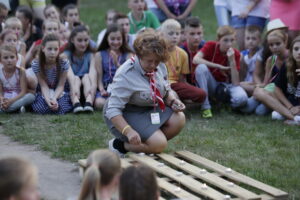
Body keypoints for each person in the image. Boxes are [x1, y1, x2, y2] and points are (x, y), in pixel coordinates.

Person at [104, 30, 185, 156]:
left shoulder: (160, 64)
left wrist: (173, 100)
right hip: (127, 112)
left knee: (179, 119)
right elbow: (112, 111)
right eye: (149, 61)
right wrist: (128, 131)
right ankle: (119, 145)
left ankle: (146, 145)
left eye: (156, 61)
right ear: (139, 56)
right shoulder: (125, 75)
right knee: (159, 144)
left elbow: (166, 90)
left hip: (150, 107)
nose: (153, 65)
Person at [193, 25, 248, 118]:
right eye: (225, 40)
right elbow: (196, 59)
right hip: (212, 84)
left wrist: (232, 61)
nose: (229, 44)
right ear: (218, 40)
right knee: (201, 68)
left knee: (242, 98)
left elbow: (235, 83)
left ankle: (225, 104)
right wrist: (218, 66)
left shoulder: (236, 54)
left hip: (227, 85)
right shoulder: (211, 45)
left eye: (232, 40)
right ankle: (206, 107)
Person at [252, 36, 300, 125]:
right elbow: (274, 87)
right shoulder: (283, 63)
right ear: (292, 51)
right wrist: (290, 107)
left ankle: (294, 118)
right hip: (290, 102)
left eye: (278, 44)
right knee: (275, 115)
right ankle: (295, 118)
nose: (299, 52)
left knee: (268, 112)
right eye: (296, 49)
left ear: (285, 43)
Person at [160, 19, 206, 108]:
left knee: (201, 94)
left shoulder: (182, 53)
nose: (175, 37)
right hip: (160, 84)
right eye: (171, 33)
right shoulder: (158, 51)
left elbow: (182, 79)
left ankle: (175, 99)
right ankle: (173, 100)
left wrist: (190, 90)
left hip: (175, 85)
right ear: (162, 35)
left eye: (177, 34)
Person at [94, 24, 133, 110]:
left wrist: (117, 64)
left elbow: (128, 75)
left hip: (122, 88)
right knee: (99, 103)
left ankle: (114, 105)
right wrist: (101, 90)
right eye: (112, 39)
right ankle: (115, 105)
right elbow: (99, 76)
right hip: (106, 88)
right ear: (107, 39)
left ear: (123, 39)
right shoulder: (99, 55)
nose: (115, 42)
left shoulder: (128, 55)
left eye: (118, 39)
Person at [31, 34, 73, 114]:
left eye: (55, 49)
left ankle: (55, 105)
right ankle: (50, 105)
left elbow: (61, 85)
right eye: (49, 49)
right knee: (40, 108)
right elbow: (43, 85)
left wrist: (54, 99)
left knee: (61, 108)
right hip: (45, 91)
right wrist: (48, 100)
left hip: (59, 91)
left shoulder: (63, 63)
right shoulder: (36, 64)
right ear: (43, 48)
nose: (53, 52)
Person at [252, 29, 289, 115]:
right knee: (252, 105)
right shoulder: (270, 60)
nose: (274, 47)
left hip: (286, 93)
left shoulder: (291, 57)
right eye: (271, 45)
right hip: (272, 92)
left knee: (260, 111)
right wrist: (256, 87)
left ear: (285, 43)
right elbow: (266, 83)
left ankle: (284, 109)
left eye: (278, 44)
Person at [64, 25, 95, 113]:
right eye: (79, 40)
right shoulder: (66, 55)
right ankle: (75, 103)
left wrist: (93, 87)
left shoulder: (91, 55)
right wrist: (73, 88)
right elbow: (70, 75)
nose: (83, 44)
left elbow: (93, 73)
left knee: (86, 76)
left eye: (86, 40)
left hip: (87, 87)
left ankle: (89, 102)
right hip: (72, 87)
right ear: (72, 40)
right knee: (76, 78)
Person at [0, 45, 35, 113]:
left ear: (17, 59)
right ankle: (16, 109)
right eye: (6, 58)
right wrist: (1, 99)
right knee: (4, 103)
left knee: (31, 97)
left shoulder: (20, 71)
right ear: (0, 60)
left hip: (18, 97)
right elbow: (0, 92)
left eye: (12, 57)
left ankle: (7, 109)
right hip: (5, 97)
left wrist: (11, 101)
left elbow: (23, 92)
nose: (9, 60)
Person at [180, 16, 205, 84]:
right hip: (188, 84)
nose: (196, 37)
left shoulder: (206, 47)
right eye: (192, 34)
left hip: (206, 83)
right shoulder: (181, 51)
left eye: (199, 33)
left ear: (203, 33)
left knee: (202, 68)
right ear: (185, 35)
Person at [240, 25, 263, 95]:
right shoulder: (243, 54)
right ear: (244, 40)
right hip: (245, 81)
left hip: (257, 82)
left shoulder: (261, 54)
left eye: (254, 39)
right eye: (248, 38)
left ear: (259, 40)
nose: (250, 41)